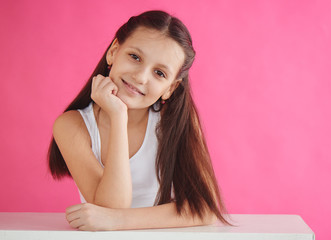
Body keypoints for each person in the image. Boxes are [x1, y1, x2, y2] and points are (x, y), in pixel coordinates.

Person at [48, 10, 231, 231]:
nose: (141, 77)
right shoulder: (71, 126)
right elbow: (110, 206)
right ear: (114, 51)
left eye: (159, 73)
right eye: (135, 57)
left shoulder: (174, 123)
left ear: (170, 89)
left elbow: (204, 207)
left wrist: (117, 220)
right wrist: (118, 117)